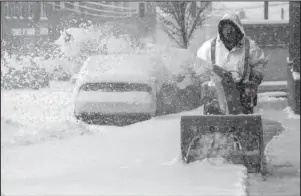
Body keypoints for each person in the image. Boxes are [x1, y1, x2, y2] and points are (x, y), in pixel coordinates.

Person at [178, 12, 268, 114]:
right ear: (221, 29)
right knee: (213, 125)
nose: (228, 32)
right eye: (225, 28)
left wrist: (253, 81)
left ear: (238, 29)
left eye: (231, 28)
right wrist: (204, 80)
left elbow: (260, 64)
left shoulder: (250, 46)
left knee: (242, 125)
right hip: (215, 94)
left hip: (242, 93)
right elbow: (199, 66)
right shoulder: (209, 47)